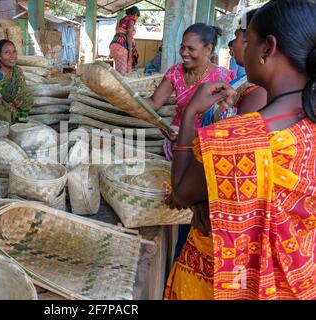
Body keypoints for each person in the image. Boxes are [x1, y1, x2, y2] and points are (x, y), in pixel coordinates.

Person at [165, 0, 316, 300]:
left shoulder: (234, 140)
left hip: (219, 282)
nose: (241, 47)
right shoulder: (307, 128)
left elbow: (180, 195)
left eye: (247, 40)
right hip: (298, 283)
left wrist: (192, 113)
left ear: (267, 48)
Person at [145, 23, 236, 160]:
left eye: (191, 49)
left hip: (208, 148)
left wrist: (188, 133)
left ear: (208, 49)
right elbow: (154, 103)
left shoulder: (223, 79)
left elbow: (225, 124)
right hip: (176, 143)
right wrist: (124, 98)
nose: (184, 53)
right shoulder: (175, 72)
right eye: (182, 47)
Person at [109, 6, 140, 76]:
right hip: (122, 47)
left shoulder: (121, 20)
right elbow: (129, 34)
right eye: (137, 17)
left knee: (118, 72)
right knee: (123, 75)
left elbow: (118, 33)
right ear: (135, 14)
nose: (136, 19)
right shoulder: (131, 19)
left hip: (114, 45)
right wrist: (130, 49)